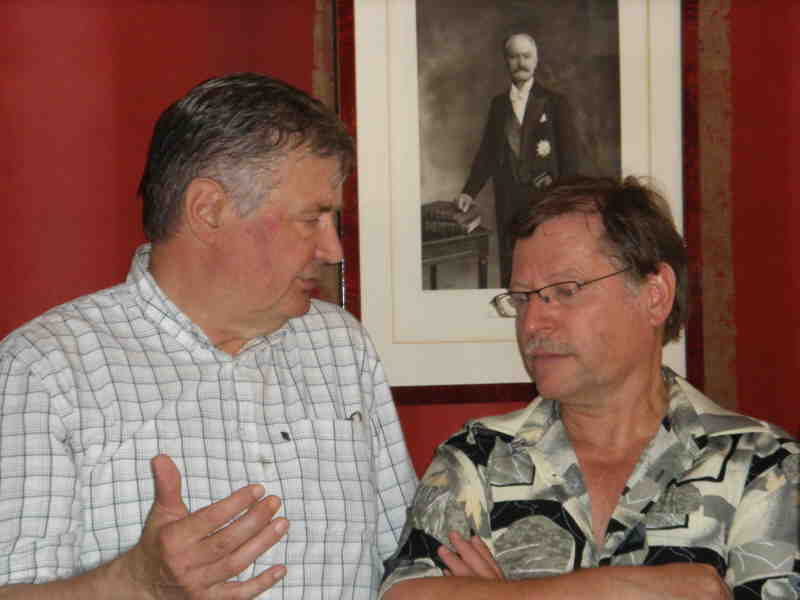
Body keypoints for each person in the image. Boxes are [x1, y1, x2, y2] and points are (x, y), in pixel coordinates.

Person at [0, 73, 417, 599]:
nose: (333, 251)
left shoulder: (341, 346)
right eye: (311, 219)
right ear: (208, 210)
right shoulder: (46, 370)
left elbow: (404, 561)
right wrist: (135, 584)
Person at [382, 177, 799, 599]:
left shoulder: (762, 465)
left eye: (565, 291)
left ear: (655, 295)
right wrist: (636, 590)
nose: (532, 323)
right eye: (522, 299)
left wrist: (503, 594)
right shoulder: (478, 457)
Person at [455, 33, 577, 288]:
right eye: (514, 57)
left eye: (526, 56)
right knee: (511, 262)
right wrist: (469, 191)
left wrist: (565, 199)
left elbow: (569, 157)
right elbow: (487, 153)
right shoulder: (498, 105)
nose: (521, 62)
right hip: (507, 198)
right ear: (506, 61)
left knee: (546, 260)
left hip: (546, 197)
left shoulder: (555, 102)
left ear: (536, 59)